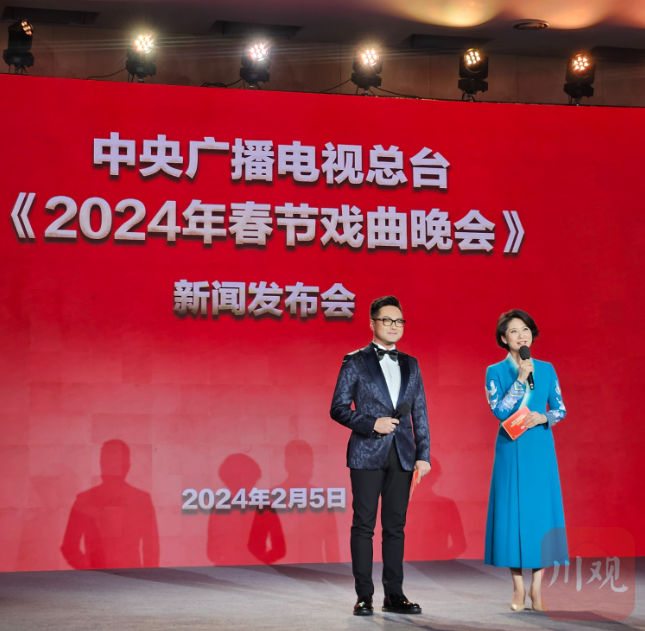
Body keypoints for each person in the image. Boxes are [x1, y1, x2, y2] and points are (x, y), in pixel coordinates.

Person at [330, 295, 431, 616]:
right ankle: (364, 596)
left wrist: (424, 454)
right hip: (366, 452)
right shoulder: (355, 361)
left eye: (399, 321)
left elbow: (420, 411)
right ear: (372, 323)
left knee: (395, 527)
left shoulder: (411, 363)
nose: (394, 326)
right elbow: (338, 408)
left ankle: (394, 595)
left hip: (402, 454)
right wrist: (371, 423)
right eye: (387, 320)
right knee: (363, 525)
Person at [484, 309, 569, 612]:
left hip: (539, 447)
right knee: (512, 515)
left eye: (525, 330)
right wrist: (520, 379)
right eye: (514, 331)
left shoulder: (546, 368)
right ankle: (518, 587)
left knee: (540, 515)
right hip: (510, 446)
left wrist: (544, 417)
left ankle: (537, 587)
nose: (522, 336)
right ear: (504, 338)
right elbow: (499, 410)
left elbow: (560, 408)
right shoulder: (495, 371)